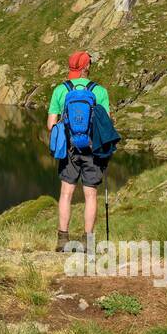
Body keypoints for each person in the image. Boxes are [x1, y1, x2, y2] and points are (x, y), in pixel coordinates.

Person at [47, 50, 111, 253]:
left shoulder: (60, 90)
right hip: (92, 150)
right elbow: (106, 124)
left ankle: (62, 240)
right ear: (86, 67)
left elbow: (51, 125)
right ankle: (87, 242)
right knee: (90, 196)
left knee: (66, 193)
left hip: (69, 149)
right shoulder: (99, 91)